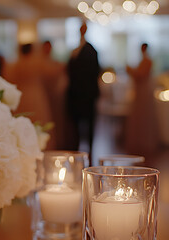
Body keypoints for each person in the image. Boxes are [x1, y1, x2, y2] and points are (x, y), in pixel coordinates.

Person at [66, 22, 100, 161]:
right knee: (75, 124)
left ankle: (90, 151)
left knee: (90, 123)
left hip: (87, 94)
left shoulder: (91, 50)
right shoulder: (75, 50)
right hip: (75, 94)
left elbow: (95, 72)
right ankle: (76, 149)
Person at [125, 43, 158, 155]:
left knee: (144, 116)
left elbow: (141, 74)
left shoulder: (148, 61)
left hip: (144, 93)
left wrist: (130, 71)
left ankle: (145, 142)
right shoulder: (143, 61)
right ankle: (139, 141)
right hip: (140, 93)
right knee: (140, 116)